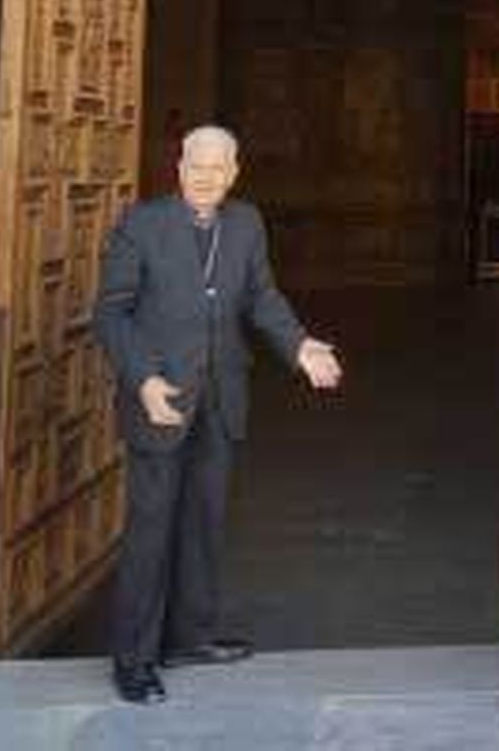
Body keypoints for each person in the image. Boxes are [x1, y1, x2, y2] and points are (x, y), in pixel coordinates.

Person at [92, 124, 343, 704]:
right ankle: (133, 660)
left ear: (234, 173)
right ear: (178, 167)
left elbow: (261, 297)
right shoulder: (143, 225)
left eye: (218, 168)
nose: (206, 177)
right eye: (196, 166)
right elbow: (112, 313)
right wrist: (145, 379)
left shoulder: (246, 223)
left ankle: (189, 637)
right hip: (160, 398)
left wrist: (301, 346)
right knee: (152, 528)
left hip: (222, 397)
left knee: (203, 522)